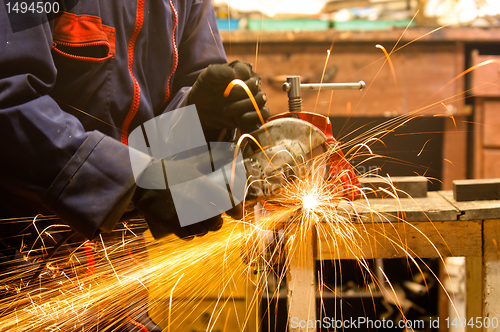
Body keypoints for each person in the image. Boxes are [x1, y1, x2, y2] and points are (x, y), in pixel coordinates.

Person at [0, 0, 269, 330]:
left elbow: (161, 159)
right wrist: (134, 181)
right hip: (19, 262)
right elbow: (9, 101)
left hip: (118, 268)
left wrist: (203, 118)